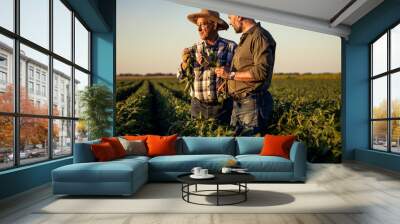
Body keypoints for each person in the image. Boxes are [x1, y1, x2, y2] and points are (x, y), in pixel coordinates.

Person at [215, 15, 276, 136]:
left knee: (249, 148)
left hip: (252, 104)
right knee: (236, 145)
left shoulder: (259, 36)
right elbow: (245, 69)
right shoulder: (247, 37)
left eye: (230, 17)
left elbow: (261, 72)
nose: (230, 22)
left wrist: (230, 75)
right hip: (240, 104)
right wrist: (227, 83)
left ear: (239, 16)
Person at [177, 9, 236, 123]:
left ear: (214, 25)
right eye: (198, 25)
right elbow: (180, 76)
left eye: (203, 24)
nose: (199, 29)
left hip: (222, 107)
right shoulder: (193, 50)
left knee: (221, 139)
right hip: (198, 107)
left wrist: (229, 73)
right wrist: (185, 64)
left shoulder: (231, 47)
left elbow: (238, 75)